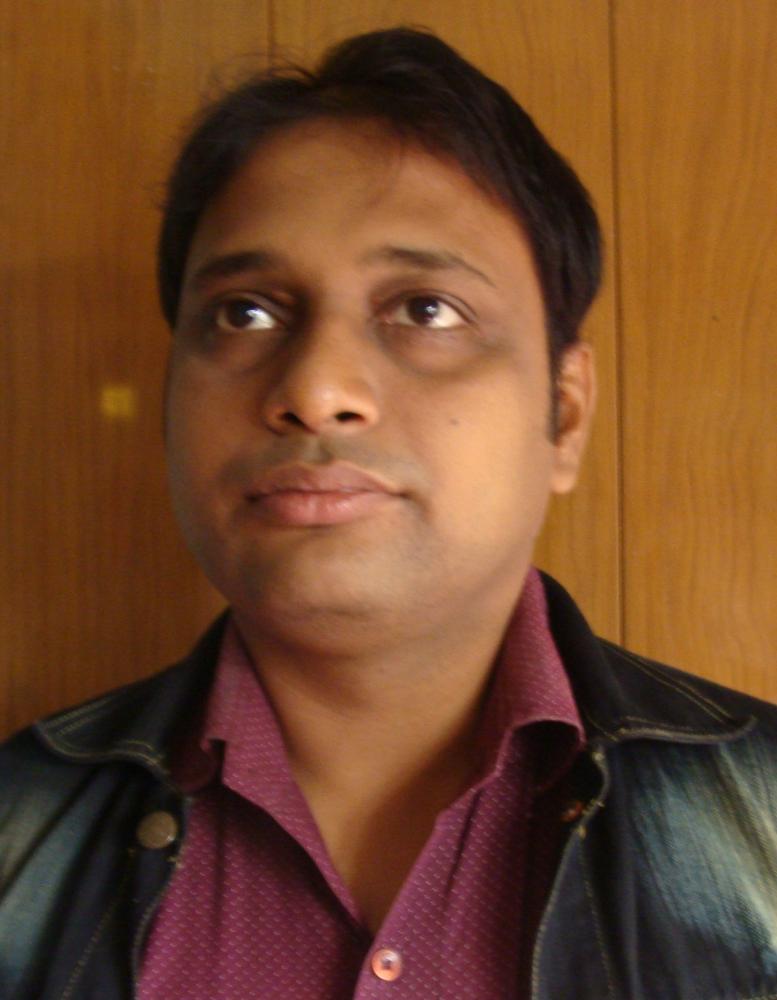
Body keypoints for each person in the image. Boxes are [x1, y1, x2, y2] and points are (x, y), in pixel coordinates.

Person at [2, 26, 776, 1000]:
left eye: (426, 310)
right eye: (244, 313)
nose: (316, 390)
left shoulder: (763, 827)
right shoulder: (19, 836)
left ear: (565, 413)